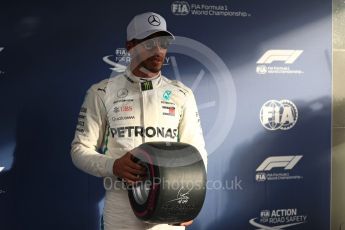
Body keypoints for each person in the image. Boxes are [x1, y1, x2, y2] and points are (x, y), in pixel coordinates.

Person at [70, 12, 207, 230]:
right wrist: (113, 165)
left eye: (163, 43)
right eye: (150, 43)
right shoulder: (101, 92)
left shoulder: (182, 94)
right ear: (130, 46)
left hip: (169, 211)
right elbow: (79, 150)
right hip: (121, 214)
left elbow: (196, 152)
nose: (158, 50)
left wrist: (191, 201)